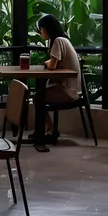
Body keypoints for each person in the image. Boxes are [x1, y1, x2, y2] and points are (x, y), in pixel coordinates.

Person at [33, 14, 81, 144]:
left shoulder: (58, 41)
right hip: (72, 89)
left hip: (67, 91)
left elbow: (52, 65)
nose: (40, 32)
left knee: (38, 98)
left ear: (47, 28)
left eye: (41, 29)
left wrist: (46, 62)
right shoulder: (64, 40)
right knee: (39, 96)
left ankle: (49, 129)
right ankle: (44, 131)